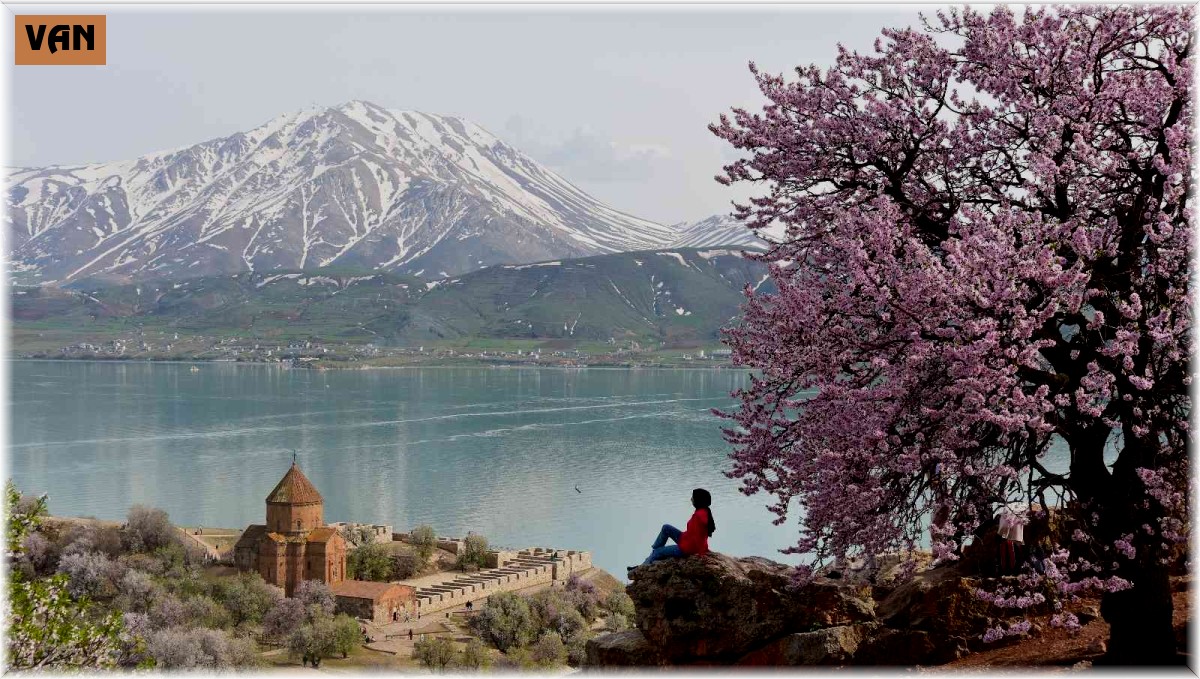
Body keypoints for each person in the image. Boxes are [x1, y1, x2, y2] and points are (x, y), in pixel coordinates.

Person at [630, 488, 716, 571]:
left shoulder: (699, 516)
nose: (691, 499)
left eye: (693, 497)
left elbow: (699, 537)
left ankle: (641, 568)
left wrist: (702, 554)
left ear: (698, 500)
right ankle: (652, 556)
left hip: (687, 548)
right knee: (666, 528)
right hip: (685, 539)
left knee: (657, 552)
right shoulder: (703, 511)